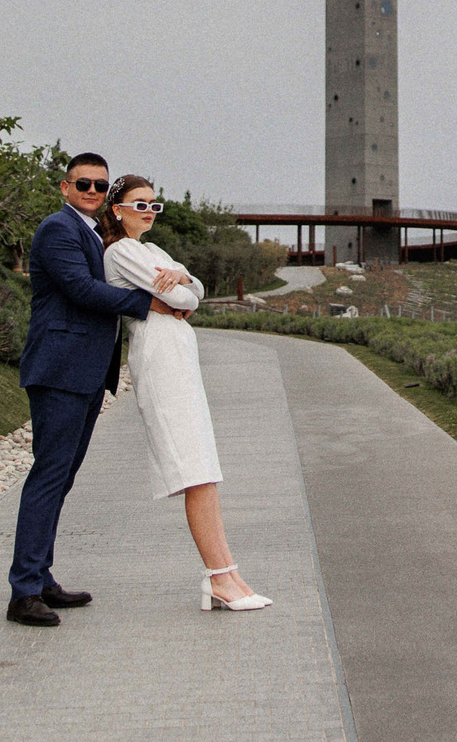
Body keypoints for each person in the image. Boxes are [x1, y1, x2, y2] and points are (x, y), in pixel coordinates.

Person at [6, 152, 191, 628]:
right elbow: (81, 289)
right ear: (64, 188)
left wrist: (177, 286)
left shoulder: (93, 233)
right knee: (48, 478)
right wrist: (151, 303)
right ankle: (23, 592)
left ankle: (41, 578)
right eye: (82, 183)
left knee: (61, 480)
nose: (90, 191)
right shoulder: (57, 229)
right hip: (59, 370)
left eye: (98, 186)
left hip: (85, 373)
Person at [98, 173, 272, 611]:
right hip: (158, 356)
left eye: (155, 205)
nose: (149, 212)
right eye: (140, 204)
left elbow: (194, 290)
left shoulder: (151, 250)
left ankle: (229, 574)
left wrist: (184, 281)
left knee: (206, 468)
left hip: (179, 356)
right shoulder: (120, 251)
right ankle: (219, 578)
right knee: (194, 469)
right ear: (117, 209)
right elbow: (185, 301)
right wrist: (182, 289)